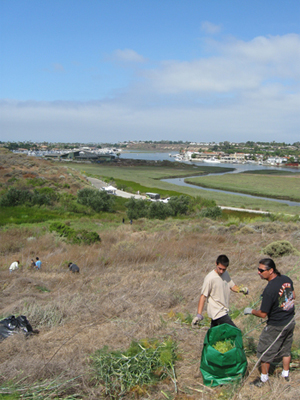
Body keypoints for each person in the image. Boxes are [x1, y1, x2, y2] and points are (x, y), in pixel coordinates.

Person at [244, 258, 295, 387]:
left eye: (261, 270)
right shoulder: (286, 279)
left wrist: (251, 311)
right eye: (258, 269)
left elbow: (263, 314)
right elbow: (293, 295)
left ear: (271, 271)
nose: (258, 272)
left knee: (264, 351)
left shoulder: (270, 289)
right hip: (290, 321)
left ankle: (263, 379)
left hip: (276, 325)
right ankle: (285, 374)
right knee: (286, 349)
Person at [192, 254, 248, 328]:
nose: (221, 271)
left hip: (223, 311)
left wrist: (242, 290)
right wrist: (198, 315)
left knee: (215, 336)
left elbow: (232, 286)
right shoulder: (210, 278)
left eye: (224, 269)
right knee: (235, 332)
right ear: (216, 263)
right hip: (218, 312)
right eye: (220, 268)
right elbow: (203, 296)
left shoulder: (225, 274)